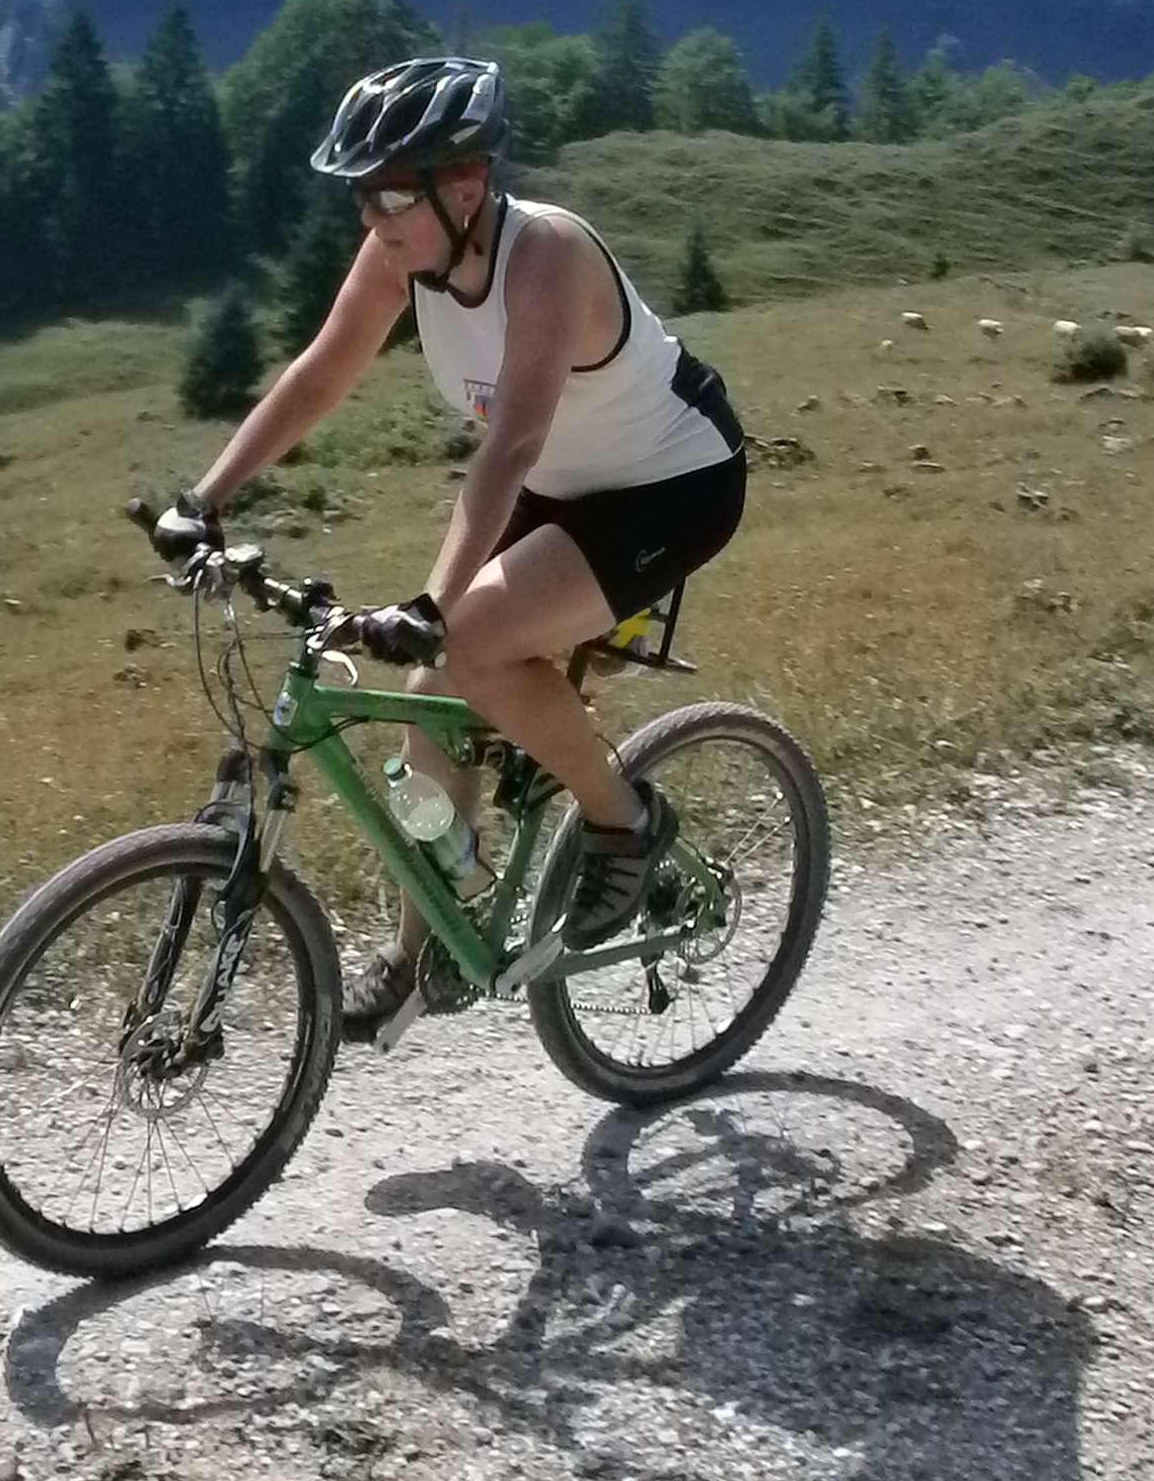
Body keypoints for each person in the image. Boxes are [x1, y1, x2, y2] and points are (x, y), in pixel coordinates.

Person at [179, 51, 748, 1045]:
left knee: (470, 641)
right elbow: (318, 376)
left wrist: (435, 603)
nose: (372, 216)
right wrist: (204, 499)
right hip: (564, 489)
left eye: (392, 193)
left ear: (468, 182)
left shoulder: (547, 256)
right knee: (432, 692)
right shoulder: (403, 253)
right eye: (361, 195)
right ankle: (423, 954)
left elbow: (512, 443)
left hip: (673, 482)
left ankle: (624, 821)